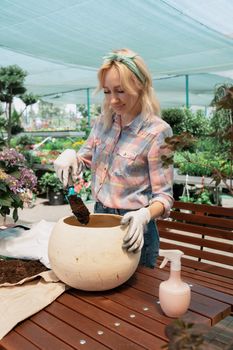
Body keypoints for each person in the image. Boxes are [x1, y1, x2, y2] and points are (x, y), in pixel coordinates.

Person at [54, 48, 174, 268]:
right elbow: (85, 158)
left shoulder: (157, 132)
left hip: (134, 228)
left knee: (134, 298)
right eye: (107, 91)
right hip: (99, 217)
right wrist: (71, 156)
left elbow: (164, 198)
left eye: (120, 91)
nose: (113, 100)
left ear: (140, 86)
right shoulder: (104, 122)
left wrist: (143, 215)